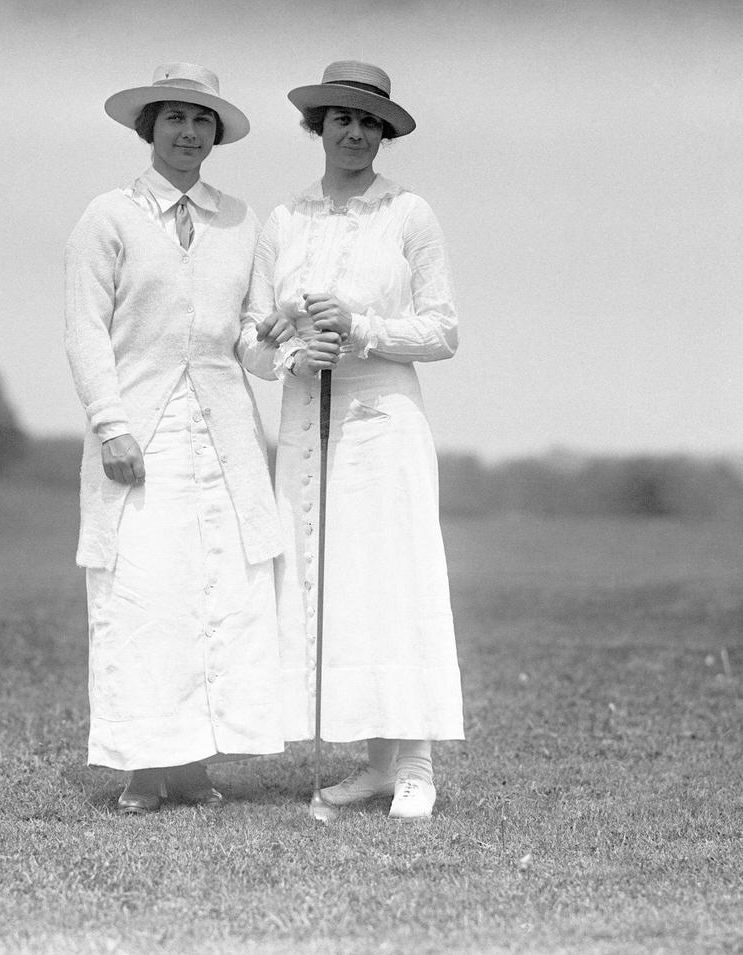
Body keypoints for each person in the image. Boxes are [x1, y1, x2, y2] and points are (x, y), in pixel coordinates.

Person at [64, 63, 291, 814]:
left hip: (223, 436)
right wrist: (112, 425)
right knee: (144, 597)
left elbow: (251, 349)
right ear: (149, 129)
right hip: (141, 436)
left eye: (202, 122)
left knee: (217, 594)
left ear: (215, 135)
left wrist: (284, 340)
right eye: (174, 120)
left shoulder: (238, 220)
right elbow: (85, 332)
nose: (188, 134)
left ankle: (193, 768)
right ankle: (142, 766)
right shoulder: (110, 216)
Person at [246, 61, 465, 820]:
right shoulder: (285, 220)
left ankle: (417, 767)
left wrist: (361, 327)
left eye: (370, 121)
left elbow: (443, 330)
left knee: (392, 580)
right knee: (334, 588)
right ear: (319, 126)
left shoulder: (408, 214)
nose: (355, 132)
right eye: (341, 118)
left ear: (384, 132)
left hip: (383, 419)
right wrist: (286, 354)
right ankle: (374, 765)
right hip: (308, 423)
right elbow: (248, 335)